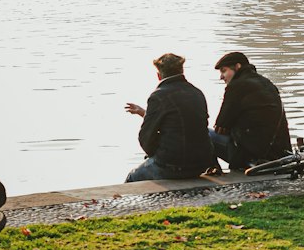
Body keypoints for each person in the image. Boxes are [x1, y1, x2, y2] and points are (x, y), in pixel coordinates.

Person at [124, 52, 215, 182]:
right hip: (201, 163)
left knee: (132, 177)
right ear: (182, 71)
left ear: (158, 75)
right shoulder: (197, 92)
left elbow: (145, 137)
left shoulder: (158, 96)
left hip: (173, 165)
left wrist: (153, 155)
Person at [210, 51, 290, 170]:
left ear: (237, 67)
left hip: (251, 156)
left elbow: (221, 125)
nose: (221, 77)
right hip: (277, 153)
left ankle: (212, 171)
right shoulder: (266, 83)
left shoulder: (236, 86)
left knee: (202, 134)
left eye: (224, 70)